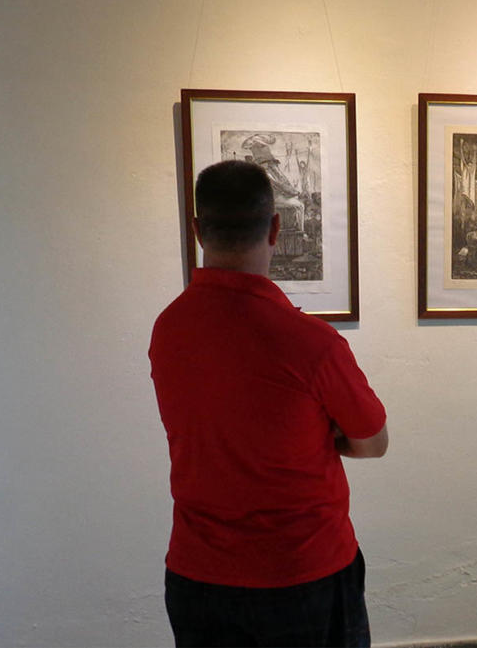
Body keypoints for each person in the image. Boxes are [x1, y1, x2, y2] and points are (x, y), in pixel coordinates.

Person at [149, 160, 388, 647]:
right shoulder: (311, 343)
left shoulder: (168, 329)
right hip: (303, 572)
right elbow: (372, 443)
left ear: (197, 230)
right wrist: (323, 434)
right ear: (277, 227)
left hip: (199, 576)